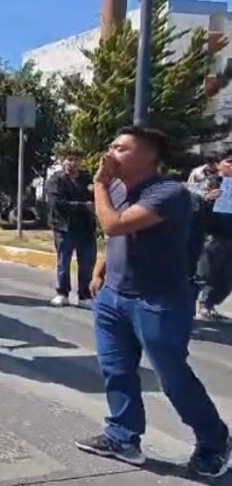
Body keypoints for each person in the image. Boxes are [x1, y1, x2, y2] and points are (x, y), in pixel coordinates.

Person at [75, 127, 231, 477]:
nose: (111, 153)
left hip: (157, 301)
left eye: (121, 148)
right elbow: (118, 235)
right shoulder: (122, 189)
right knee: (116, 371)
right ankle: (122, 437)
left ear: (150, 157)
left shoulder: (168, 192)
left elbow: (114, 225)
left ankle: (214, 441)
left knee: (172, 378)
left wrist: (100, 184)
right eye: (112, 145)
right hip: (114, 297)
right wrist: (101, 270)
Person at [46, 149, 97, 308]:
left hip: (86, 228)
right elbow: (58, 203)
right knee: (64, 261)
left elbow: (97, 197)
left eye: (76, 160)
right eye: (69, 159)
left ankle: (84, 296)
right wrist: (84, 206)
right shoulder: (56, 180)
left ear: (81, 162)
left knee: (87, 262)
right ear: (63, 161)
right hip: (64, 227)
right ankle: (62, 293)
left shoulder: (87, 179)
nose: (72, 163)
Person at [195, 151, 232, 321]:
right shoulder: (209, 182)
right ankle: (203, 304)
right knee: (208, 271)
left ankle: (211, 304)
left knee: (227, 275)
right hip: (213, 234)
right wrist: (207, 198)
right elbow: (192, 198)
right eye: (229, 162)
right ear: (218, 164)